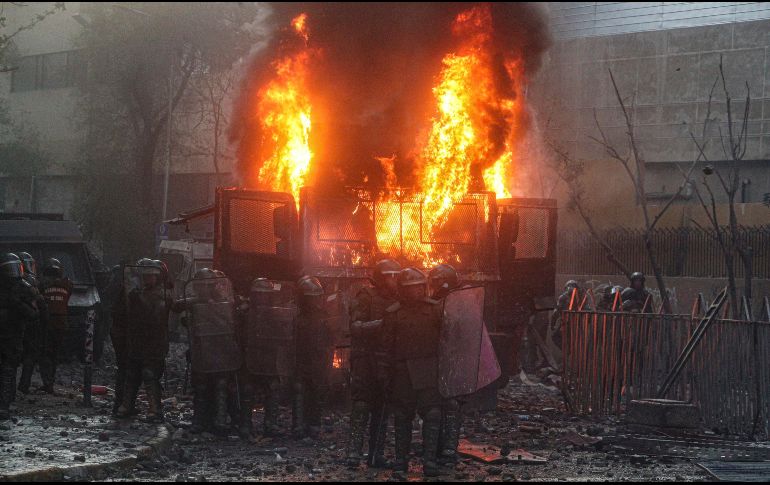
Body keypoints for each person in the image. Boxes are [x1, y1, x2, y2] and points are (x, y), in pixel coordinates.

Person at [382, 267, 443, 477]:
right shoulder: (393, 314)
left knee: (433, 415)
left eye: (418, 287)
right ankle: (400, 461)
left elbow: (448, 341)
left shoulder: (435, 310)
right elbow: (386, 347)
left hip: (428, 370)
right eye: (410, 288)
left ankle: (430, 461)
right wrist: (385, 374)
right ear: (402, 290)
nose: (415, 292)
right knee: (402, 417)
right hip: (402, 373)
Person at [346, 259, 400, 468]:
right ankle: (353, 454)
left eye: (396, 275)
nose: (393, 280)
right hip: (365, 358)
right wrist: (381, 325)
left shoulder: (398, 299)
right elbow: (355, 326)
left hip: (386, 360)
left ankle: (376, 454)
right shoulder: (366, 296)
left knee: (383, 407)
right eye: (389, 275)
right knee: (361, 406)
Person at [178, 268, 242, 434]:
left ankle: (223, 420)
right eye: (201, 286)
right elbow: (176, 307)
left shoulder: (226, 303)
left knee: (222, 384)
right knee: (201, 385)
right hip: (202, 350)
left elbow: (235, 318)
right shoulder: (194, 302)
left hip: (221, 350)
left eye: (207, 286)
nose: (204, 289)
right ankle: (199, 420)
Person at [115, 258, 172, 422]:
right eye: (145, 276)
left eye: (151, 276)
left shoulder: (164, 295)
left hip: (154, 341)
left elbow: (156, 316)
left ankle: (154, 409)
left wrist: (139, 300)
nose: (147, 279)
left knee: (149, 374)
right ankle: (126, 405)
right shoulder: (136, 292)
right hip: (137, 339)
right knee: (132, 373)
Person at [238, 277, 293, 439]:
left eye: (265, 294)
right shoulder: (245, 313)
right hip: (251, 357)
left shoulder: (275, 314)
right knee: (247, 391)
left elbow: (284, 336)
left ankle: (271, 425)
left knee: (273, 388)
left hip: (269, 358)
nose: (262, 298)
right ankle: (245, 425)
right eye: (259, 294)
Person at [428, 263, 464, 466]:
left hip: (452, 360)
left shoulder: (459, 305)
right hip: (436, 359)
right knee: (435, 406)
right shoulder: (431, 304)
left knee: (451, 405)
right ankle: (435, 449)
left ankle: (448, 449)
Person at [292, 276, 332, 438]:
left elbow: (329, 339)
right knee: (299, 390)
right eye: (311, 298)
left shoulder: (323, 317)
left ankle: (314, 424)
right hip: (300, 358)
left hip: (317, 359)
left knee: (316, 390)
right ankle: (298, 425)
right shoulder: (294, 315)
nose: (315, 302)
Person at [0, 253, 39, 420]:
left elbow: (34, 312)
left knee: (8, 370)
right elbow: (34, 313)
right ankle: (4, 405)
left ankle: (5, 405)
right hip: (11, 337)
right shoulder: (18, 289)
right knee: (8, 371)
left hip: (12, 337)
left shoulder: (20, 288)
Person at [35, 258, 71, 394]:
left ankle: (48, 383)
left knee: (45, 354)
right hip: (62, 324)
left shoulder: (42, 285)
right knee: (54, 354)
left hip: (47, 324)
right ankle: (50, 382)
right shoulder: (67, 284)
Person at [17, 252, 49, 394]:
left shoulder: (10, 281)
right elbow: (41, 303)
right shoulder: (32, 282)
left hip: (16, 323)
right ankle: (23, 386)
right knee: (30, 355)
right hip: (31, 323)